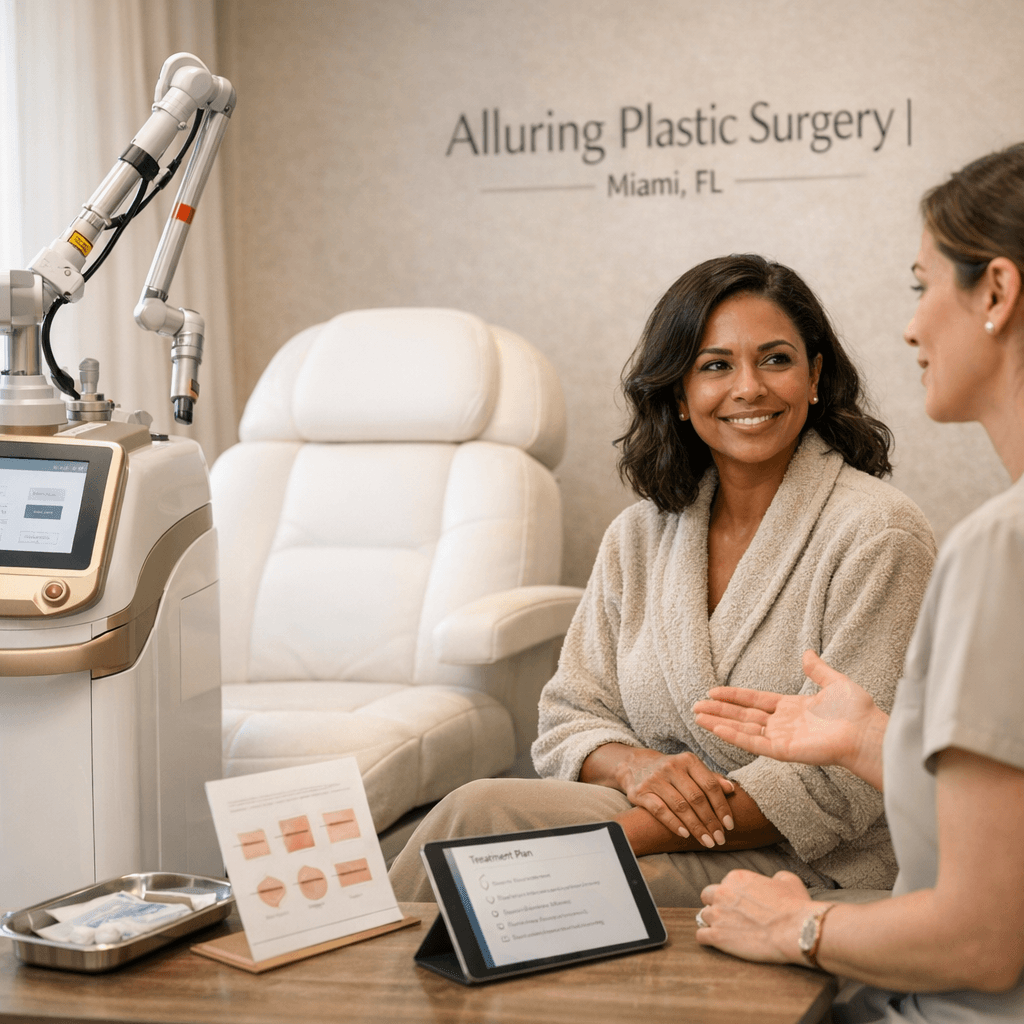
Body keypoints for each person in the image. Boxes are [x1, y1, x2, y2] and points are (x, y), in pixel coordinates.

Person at [388, 254, 936, 907]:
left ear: (815, 376)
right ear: (679, 394)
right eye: (715, 366)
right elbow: (569, 714)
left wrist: (613, 840)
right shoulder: (640, 534)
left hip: (809, 857)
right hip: (659, 821)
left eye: (776, 359)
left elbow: (845, 779)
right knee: (470, 812)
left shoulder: (879, 533)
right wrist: (639, 768)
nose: (749, 388)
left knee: (578, 888)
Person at [692, 145, 1024, 1020]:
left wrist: (800, 927)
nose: (912, 327)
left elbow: (983, 943)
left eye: (922, 286)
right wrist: (870, 740)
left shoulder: (1001, 548)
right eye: (714, 365)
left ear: (996, 291)